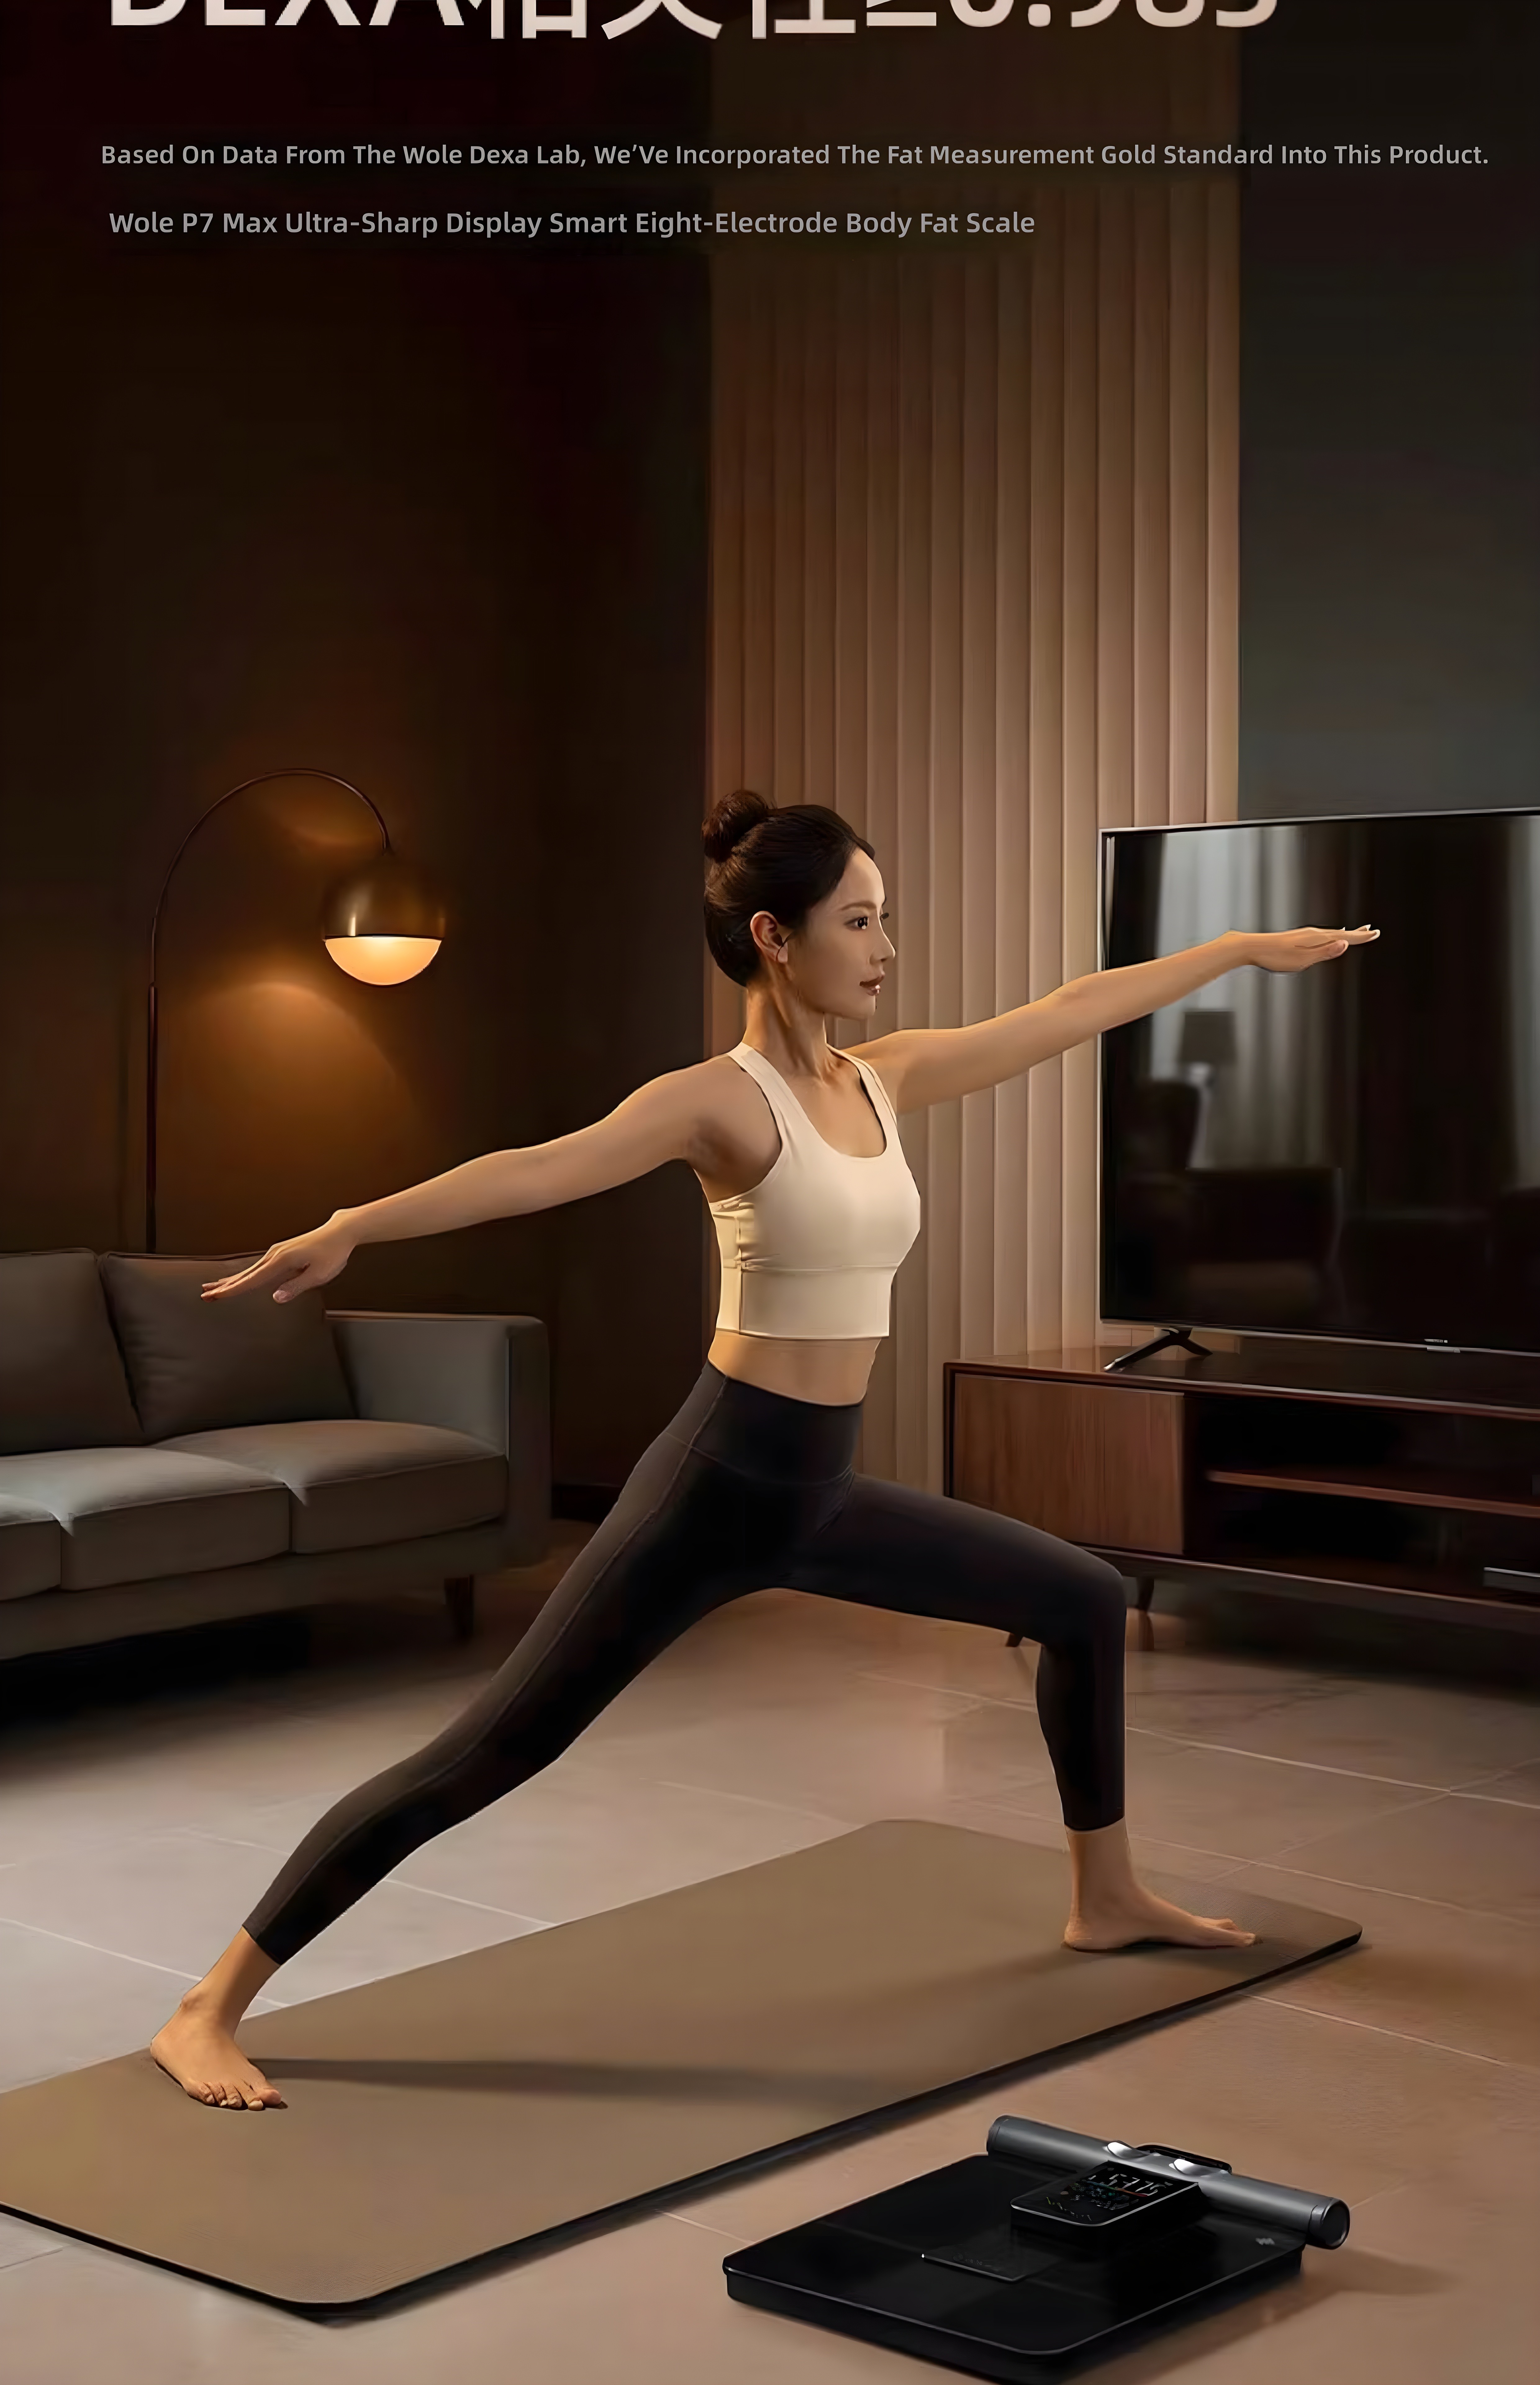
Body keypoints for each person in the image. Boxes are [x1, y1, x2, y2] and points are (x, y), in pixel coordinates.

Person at [151, 790, 1378, 2110]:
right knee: (490, 1752)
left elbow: (1071, 1010)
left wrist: (1242, 949)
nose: (885, 947)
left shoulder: (884, 1077)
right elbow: (537, 1167)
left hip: (820, 1488)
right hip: (716, 1484)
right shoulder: (715, 1105)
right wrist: (356, 1220)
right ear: (771, 936)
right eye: (858, 920)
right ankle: (206, 2007)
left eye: (883, 918)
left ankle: (1108, 1892)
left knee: (1079, 1597)